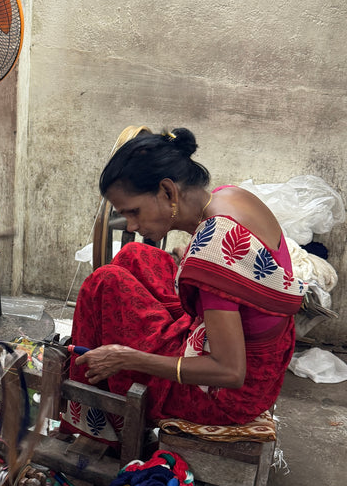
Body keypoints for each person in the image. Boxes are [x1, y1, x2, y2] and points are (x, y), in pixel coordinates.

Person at [62, 127, 306, 443]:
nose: (132, 225)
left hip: (226, 394)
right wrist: (192, 257)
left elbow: (230, 372)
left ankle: (101, 426)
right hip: (247, 349)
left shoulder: (213, 249)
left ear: (168, 191)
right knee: (134, 255)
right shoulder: (229, 196)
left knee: (104, 283)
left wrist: (127, 358)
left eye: (134, 212)